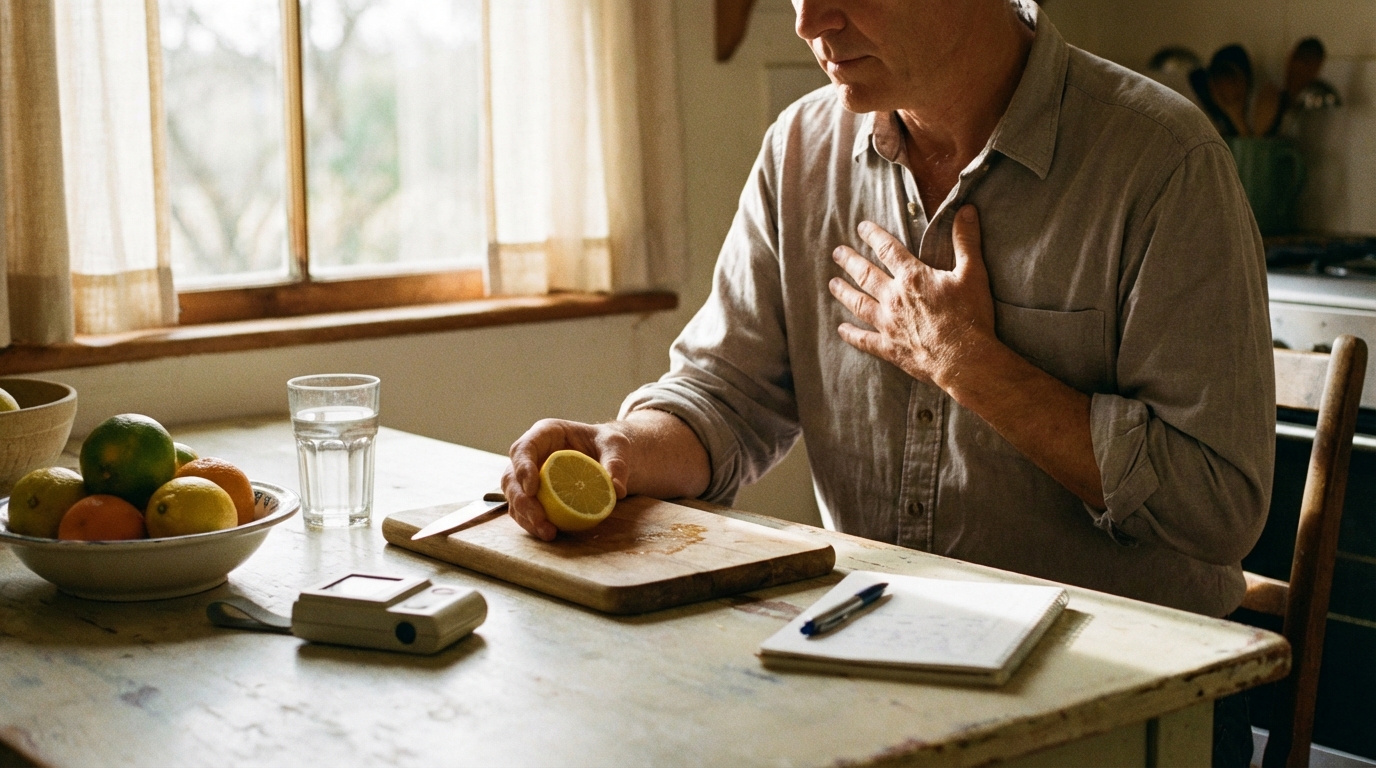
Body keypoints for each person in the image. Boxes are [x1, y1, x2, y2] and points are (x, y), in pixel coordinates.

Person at [501, 2, 1272, 763]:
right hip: (872, 672)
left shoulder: (1165, 162)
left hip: (1135, 708)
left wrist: (970, 364)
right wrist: (622, 447)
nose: (808, 22)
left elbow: (1216, 505)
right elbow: (724, 396)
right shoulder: (799, 149)